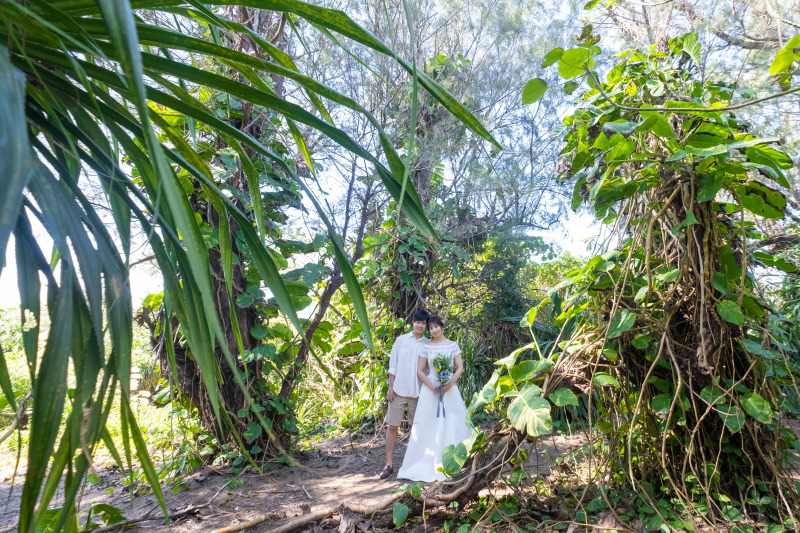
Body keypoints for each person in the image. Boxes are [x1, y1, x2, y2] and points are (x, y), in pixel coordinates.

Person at [397, 316, 472, 482]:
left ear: (442, 327)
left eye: (436, 327)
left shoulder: (453, 345)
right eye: (431, 328)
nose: (434, 330)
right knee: (427, 424)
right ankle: (423, 461)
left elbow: (460, 367)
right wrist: (432, 387)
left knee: (453, 422)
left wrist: (449, 384)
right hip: (430, 391)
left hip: (450, 390)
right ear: (428, 331)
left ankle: (456, 461)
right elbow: (420, 370)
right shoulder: (427, 347)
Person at [380, 310, 430, 479]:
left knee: (417, 429)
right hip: (399, 390)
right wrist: (390, 387)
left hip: (418, 392)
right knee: (393, 426)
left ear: (426, 326)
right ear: (412, 322)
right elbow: (393, 365)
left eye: (423, 323)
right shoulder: (401, 341)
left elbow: (429, 370)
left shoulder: (428, 344)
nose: (420, 325)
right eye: (417, 322)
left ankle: (415, 465)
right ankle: (388, 464)